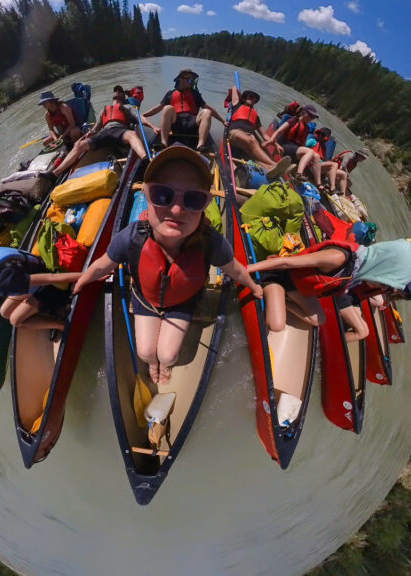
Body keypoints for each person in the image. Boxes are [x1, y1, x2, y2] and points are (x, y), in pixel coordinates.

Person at [74, 145, 262, 385]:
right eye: (163, 195)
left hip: (183, 302)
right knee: (146, 353)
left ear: (205, 204)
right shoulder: (132, 236)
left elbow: (233, 269)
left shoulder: (210, 242)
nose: (176, 210)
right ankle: (153, 365)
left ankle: (163, 364)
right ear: (146, 196)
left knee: (168, 354)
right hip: (145, 298)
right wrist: (82, 280)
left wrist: (254, 288)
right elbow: (103, 264)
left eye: (193, 199)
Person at [246, 238, 411, 334]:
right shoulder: (339, 258)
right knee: (276, 325)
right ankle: (269, 292)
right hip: (278, 276)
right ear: (381, 267)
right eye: (384, 282)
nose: (381, 288)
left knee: (319, 320)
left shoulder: (360, 273)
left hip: (296, 289)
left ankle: (279, 301)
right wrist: (247, 270)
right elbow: (285, 263)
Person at [48, 85, 157, 178]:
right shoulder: (104, 109)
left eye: (120, 91)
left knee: (132, 134)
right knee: (79, 145)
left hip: (121, 131)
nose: (117, 92)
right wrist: (84, 137)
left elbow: (139, 118)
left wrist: (153, 126)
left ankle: (145, 161)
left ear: (123, 96)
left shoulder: (126, 107)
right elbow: (95, 129)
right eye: (115, 91)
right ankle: (55, 174)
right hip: (104, 133)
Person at [142, 69, 225, 154]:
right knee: (167, 108)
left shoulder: (195, 94)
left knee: (207, 111)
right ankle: (164, 143)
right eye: (189, 79)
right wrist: (144, 115)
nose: (192, 82)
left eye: (192, 80)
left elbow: (208, 107)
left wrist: (222, 120)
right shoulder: (170, 94)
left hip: (192, 123)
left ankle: (200, 146)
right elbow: (157, 108)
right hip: (176, 123)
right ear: (181, 79)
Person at [224, 87, 291, 179]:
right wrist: (239, 95)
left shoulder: (256, 116)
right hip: (234, 134)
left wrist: (276, 144)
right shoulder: (237, 105)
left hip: (246, 140)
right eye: (251, 97)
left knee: (255, 157)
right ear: (243, 98)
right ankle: (274, 164)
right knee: (253, 140)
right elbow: (234, 88)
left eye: (255, 99)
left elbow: (264, 135)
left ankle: (269, 168)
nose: (253, 99)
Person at [268, 104, 324, 187]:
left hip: (295, 150)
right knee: (311, 151)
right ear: (303, 112)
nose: (311, 118)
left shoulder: (307, 128)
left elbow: (303, 145)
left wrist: (308, 158)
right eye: (310, 115)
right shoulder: (293, 120)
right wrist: (272, 141)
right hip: (286, 146)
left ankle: (319, 184)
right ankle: (299, 174)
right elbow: (278, 131)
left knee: (316, 156)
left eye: (313, 117)